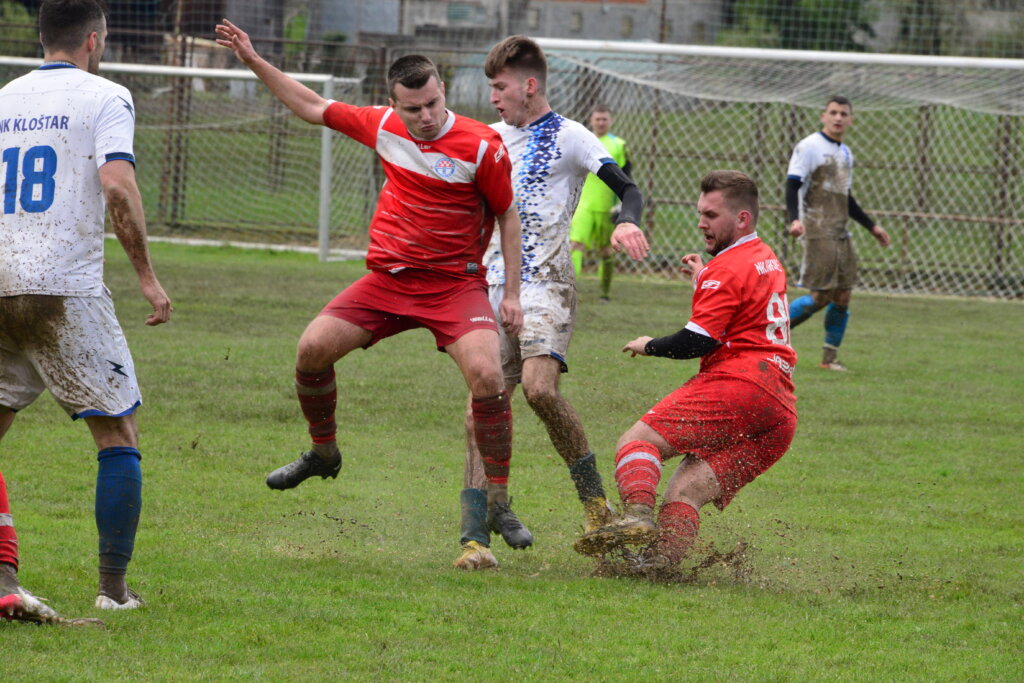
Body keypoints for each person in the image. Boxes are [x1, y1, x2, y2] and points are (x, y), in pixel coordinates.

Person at [214, 22, 525, 566]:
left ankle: (498, 498)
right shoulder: (381, 126)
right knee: (311, 349)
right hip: (387, 282)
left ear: (443, 90)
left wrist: (513, 294)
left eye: (431, 103)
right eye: (413, 108)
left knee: (489, 376)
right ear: (393, 104)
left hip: (453, 285)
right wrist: (252, 57)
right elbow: (310, 105)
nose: (425, 116)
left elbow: (507, 214)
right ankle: (323, 452)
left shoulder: (482, 145)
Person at [0, 0, 172, 610]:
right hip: (64, 288)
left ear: (41, 37)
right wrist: (147, 277)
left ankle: (3, 577)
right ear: (94, 40)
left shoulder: (3, 96)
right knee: (116, 431)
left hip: (0, 280)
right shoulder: (106, 95)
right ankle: (112, 591)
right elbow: (117, 185)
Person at [455, 35, 650, 570]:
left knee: (540, 390)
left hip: (547, 285)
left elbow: (627, 187)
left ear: (530, 85)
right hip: (489, 290)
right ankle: (475, 537)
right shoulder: (488, 138)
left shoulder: (572, 136)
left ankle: (595, 507)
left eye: (500, 86)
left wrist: (626, 219)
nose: (493, 96)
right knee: (480, 412)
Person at [575, 170, 798, 574]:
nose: (700, 223)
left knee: (636, 443)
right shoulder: (765, 257)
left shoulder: (725, 269)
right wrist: (703, 278)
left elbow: (696, 342)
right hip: (779, 412)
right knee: (686, 490)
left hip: (740, 384)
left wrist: (649, 345)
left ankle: (638, 515)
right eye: (700, 213)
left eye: (711, 215)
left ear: (742, 218)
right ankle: (658, 567)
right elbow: (744, 302)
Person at [785, 95, 890, 371]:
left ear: (851, 119)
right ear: (823, 116)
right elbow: (792, 185)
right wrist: (795, 220)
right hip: (817, 227)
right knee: (821, 295)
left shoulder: (845, 152)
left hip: (841, 229)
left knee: (843, 295)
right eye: (833, 112)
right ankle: (764, 334)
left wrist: (872, 227)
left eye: (844, 113)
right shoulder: (809, 146)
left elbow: (845, 196)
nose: (838, 117)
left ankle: (829, 360)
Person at [569, 104, 633, 301]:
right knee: (575, 245)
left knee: (606, 251)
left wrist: (622, 204)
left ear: (610, 120)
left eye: (604, 119)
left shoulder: (619, 145)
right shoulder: (582, 141)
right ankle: (569, 292)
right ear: (591, 120)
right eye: (597, 119)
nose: (601, 122)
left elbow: (626, 176)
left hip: (607, 207)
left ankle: (604, 293)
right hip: (584, 206)